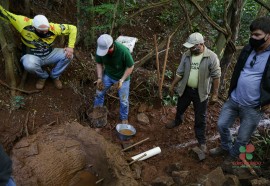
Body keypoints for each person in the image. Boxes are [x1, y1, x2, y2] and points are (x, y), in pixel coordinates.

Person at [210, 17, 270, 165]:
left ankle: (232, 156)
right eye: (252, 34)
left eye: (257, 35)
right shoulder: (248, 48)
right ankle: (225, 147)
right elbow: (238, 70)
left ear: (268, 35)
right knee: (222, 125)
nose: (253, 38)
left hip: (254, 107)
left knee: (243, 137)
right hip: (235, 99)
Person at [166, 32, 221, 153]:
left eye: (192, 46)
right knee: (180, 107)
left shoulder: (211, 57)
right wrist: (173, 84)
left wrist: (215, 94)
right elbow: (180, 72)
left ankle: (201, 140)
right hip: (186, 89)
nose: (190, 48)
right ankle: (178, 121)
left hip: (201, 93)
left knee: (200, 117)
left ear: (201, 44)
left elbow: (216, 76)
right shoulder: (186, 55)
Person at [0, 5, 77, 90]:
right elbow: (5, 13)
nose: (44, 32)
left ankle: (54, 76)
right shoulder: (23, 23)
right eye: (41, 30)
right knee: (29, 64)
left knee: (69, 55)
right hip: (32, 56)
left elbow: (73, 28)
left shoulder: (53, 28)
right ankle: (43, 76)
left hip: (49, 54)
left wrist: (70, 47)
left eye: (46, 30)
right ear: (34, 27)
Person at [94, 34, 134, 124]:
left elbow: (130, 66)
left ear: (110, 47)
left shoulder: (123, 51)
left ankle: (124, 118)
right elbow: (99, 63)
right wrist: (100, 78)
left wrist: (122, 80)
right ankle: (97, 114)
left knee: (124, 100)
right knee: (99, 93)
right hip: (108, 75)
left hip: (122, 78)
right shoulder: (100, 49)